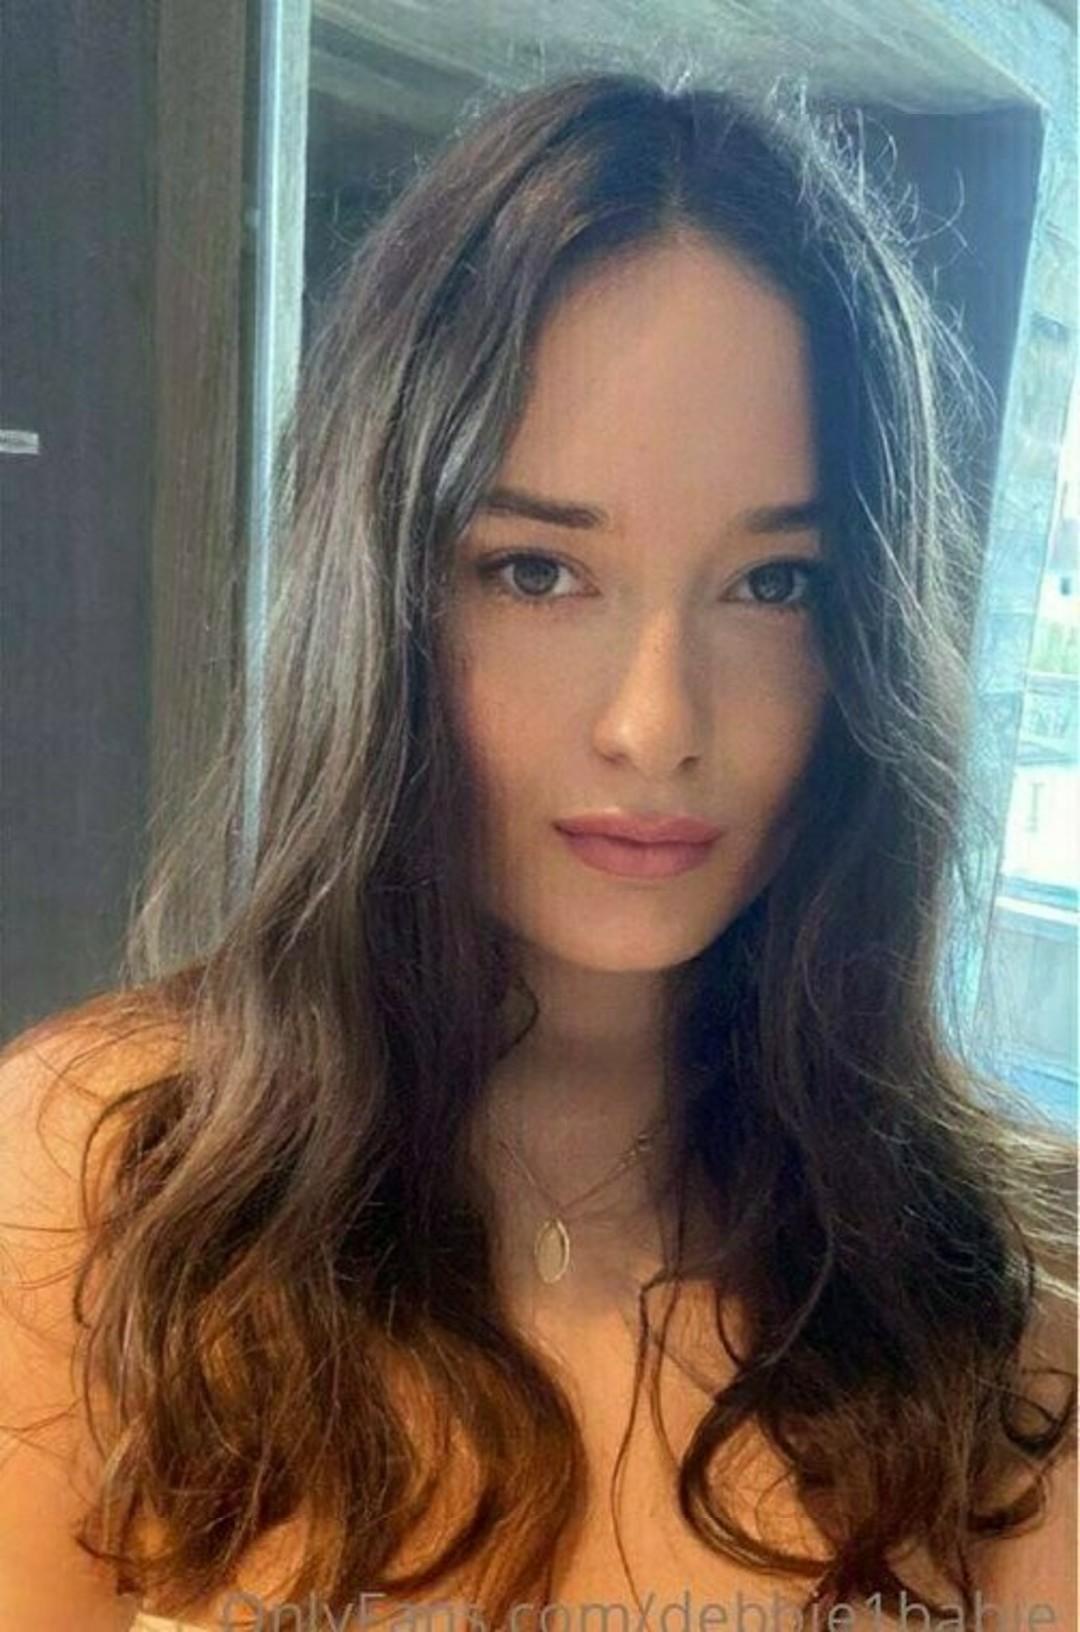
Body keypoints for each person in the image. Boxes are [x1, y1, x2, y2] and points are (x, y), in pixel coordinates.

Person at [1, 69, 1075, 1632]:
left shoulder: (997, 1295)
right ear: (381, 594)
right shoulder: (98, 1185)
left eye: (774, 586)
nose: (656, 723)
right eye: (536, 571)